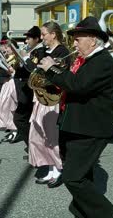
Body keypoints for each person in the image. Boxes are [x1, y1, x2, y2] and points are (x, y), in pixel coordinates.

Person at [38, 16, 113, 218]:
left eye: (77, 39)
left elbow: (78, 85)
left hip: (90, 129)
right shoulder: (86, 60)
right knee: (83, 175)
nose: (73, 44)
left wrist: (52, 69)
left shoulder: (103, 62)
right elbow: (71, 84)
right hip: (74, 126)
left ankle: (105, 213)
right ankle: (84, 213)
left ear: (92, 39)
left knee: (73, 178)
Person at [23, 25, 64, 187]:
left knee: (51, 136)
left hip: (52, 98)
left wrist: (35, 66)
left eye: (44, 34)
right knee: (38, 134)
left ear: (53, 34)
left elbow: (54, 76)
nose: (42, 37)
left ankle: (58, 169)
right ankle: (50, 168)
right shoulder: (46, 51)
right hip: (41, 97)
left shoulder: (61, 52)